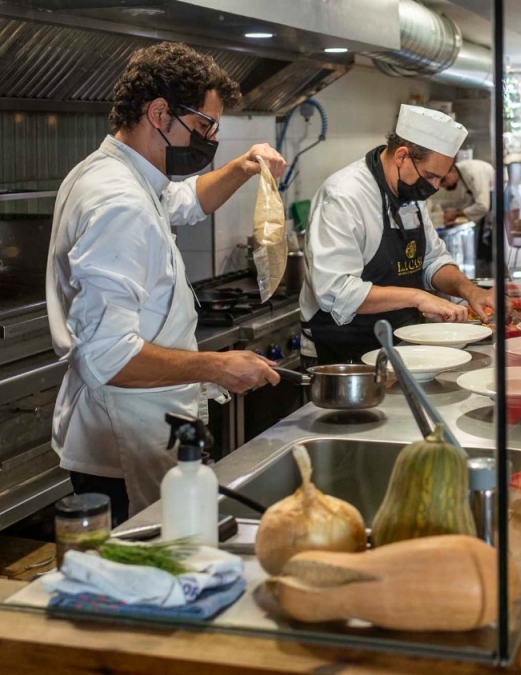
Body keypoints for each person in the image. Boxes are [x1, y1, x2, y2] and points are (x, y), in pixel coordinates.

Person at [45, 42, 287, 524]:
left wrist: (241, 169)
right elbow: (106, 356)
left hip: (140, 428)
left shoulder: (119, 173)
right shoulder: (119, 202)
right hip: (125, 445)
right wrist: (214, 367)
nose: (208, 140)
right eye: (203, 127)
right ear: (159, 113)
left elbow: (185, 201)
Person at [300, 105, 497, 366]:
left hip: (403, 346)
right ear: (402, 156)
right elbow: (336, 292)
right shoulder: (345, 196)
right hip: (344, 354)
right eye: (430, 176)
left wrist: (469, 290)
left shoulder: (409, 194)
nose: (435, 187)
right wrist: (418, 297)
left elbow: (432, 260)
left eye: (440, 178)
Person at [428, 157, 496, 277]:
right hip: (489, 214)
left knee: (494, 254)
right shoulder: (463, 176)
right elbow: (469, 202)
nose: (444, 185)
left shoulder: (473, 172)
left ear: (452, 170)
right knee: (486, 255)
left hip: (497, 208)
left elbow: (483, 206)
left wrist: (456, 214)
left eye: (445, 180)